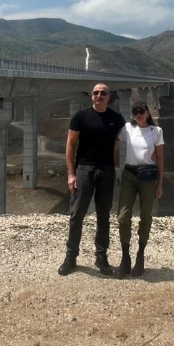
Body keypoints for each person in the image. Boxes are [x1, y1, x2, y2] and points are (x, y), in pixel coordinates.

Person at [58, 83, 126, 276]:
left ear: (109, 96)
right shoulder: (80, 117)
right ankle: (71, 257)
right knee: (76, 214)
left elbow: (121, 138)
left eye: (103, 93)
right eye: (96, 93)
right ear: (91, 96)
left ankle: (101, 257)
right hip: (84, 169)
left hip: (106, 170)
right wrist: (71, 174)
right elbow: (70, 145)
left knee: (104, 215)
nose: (99, 95)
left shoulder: (116, 118)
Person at [115, 102, 164, 279]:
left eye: (141, 111)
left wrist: (160, 184)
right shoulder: (127, 128)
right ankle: (125, 257)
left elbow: (160, 158)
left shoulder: (156, 131)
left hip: (148, 176)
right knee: (122, 216)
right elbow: (113, 142)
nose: (138, 114)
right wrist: (114, 166)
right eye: (135, 112)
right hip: (129, 174)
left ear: (148, 113)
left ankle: (140, 255)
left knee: (146, 215)